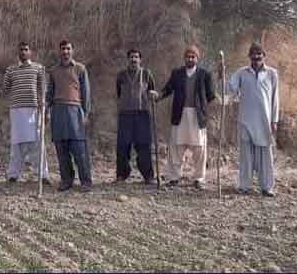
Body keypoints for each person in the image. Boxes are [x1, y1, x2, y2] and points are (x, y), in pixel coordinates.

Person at [149, 45, 216, 190]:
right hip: (180, 114)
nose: (190, 59)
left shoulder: (205, 74)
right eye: (188, 56)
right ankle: (174, 177)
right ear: (184, 58)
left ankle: (198, 178)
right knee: (175, 147)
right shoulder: (177, 73)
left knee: (199, 148)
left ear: (197, 58)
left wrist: (201, 107)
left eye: (193, 57)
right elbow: (168, 89)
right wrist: (158, 96)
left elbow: (211, 95)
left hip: (197, 116)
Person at [220, 42, 279, 197]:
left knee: (265, 156)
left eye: (259, 54)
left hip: (264, 121)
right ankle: (244, 186)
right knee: (246, 156)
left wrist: (274, 120)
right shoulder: (242, 73)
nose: (256, 57)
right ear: (249, 56)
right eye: (253, 54)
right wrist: (222, 75)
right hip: (246, 120)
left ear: (264, 56)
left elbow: (275, 99)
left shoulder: (272, 73)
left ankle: (267, 187)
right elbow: (228, 89)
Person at [46, 40, 92, 192]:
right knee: (61, 149)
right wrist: (46, 108)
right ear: (59, 51)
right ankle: (66, 180)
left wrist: (86, 113)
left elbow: (86, 94)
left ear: (72, 50)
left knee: (79, 149)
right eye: (62, 49)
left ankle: (85, 181)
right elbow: (49, 94)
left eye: (68, 49)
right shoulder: (53, 71)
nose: (65, 52)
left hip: (75, 111)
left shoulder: (80, 69)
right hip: (58, 112)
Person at [0, 42, 50, 184]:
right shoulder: (11, 70)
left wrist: (45, 110)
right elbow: (5, 89)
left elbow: (43, 90)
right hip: (16, 110)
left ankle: (43, 175)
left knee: (37, 143)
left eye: (26, 50)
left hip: (34, 110)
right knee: (17, 144)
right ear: (18, 52)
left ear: (30, 52)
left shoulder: (39, 68)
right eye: (21, 50)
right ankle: (13, 175)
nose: (23, 52)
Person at [115, 49, 156, 185]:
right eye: (131, 57)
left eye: (136, 57)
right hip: (125, 114)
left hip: (142, 113)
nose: (134, 60)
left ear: (140, 59)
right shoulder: (121, 75)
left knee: (144, 145)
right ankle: (122, 175)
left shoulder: (146, 74)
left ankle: (148, 176)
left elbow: (151, 90)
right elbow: (118, 92)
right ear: (128, 59)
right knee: (123, 145)